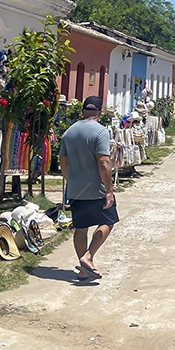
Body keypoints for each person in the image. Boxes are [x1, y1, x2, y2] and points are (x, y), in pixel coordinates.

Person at [59, 95, 116, 281]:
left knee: (81, 228)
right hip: (96, 189)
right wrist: (109, 189)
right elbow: (104, 162)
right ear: (99, 112)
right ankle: (88, 257)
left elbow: (63, 162)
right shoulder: (100, 132)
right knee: (108, 221)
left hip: (76, 190)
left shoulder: (69, 132)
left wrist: (71, 180)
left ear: (83, 111)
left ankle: (84, 270)